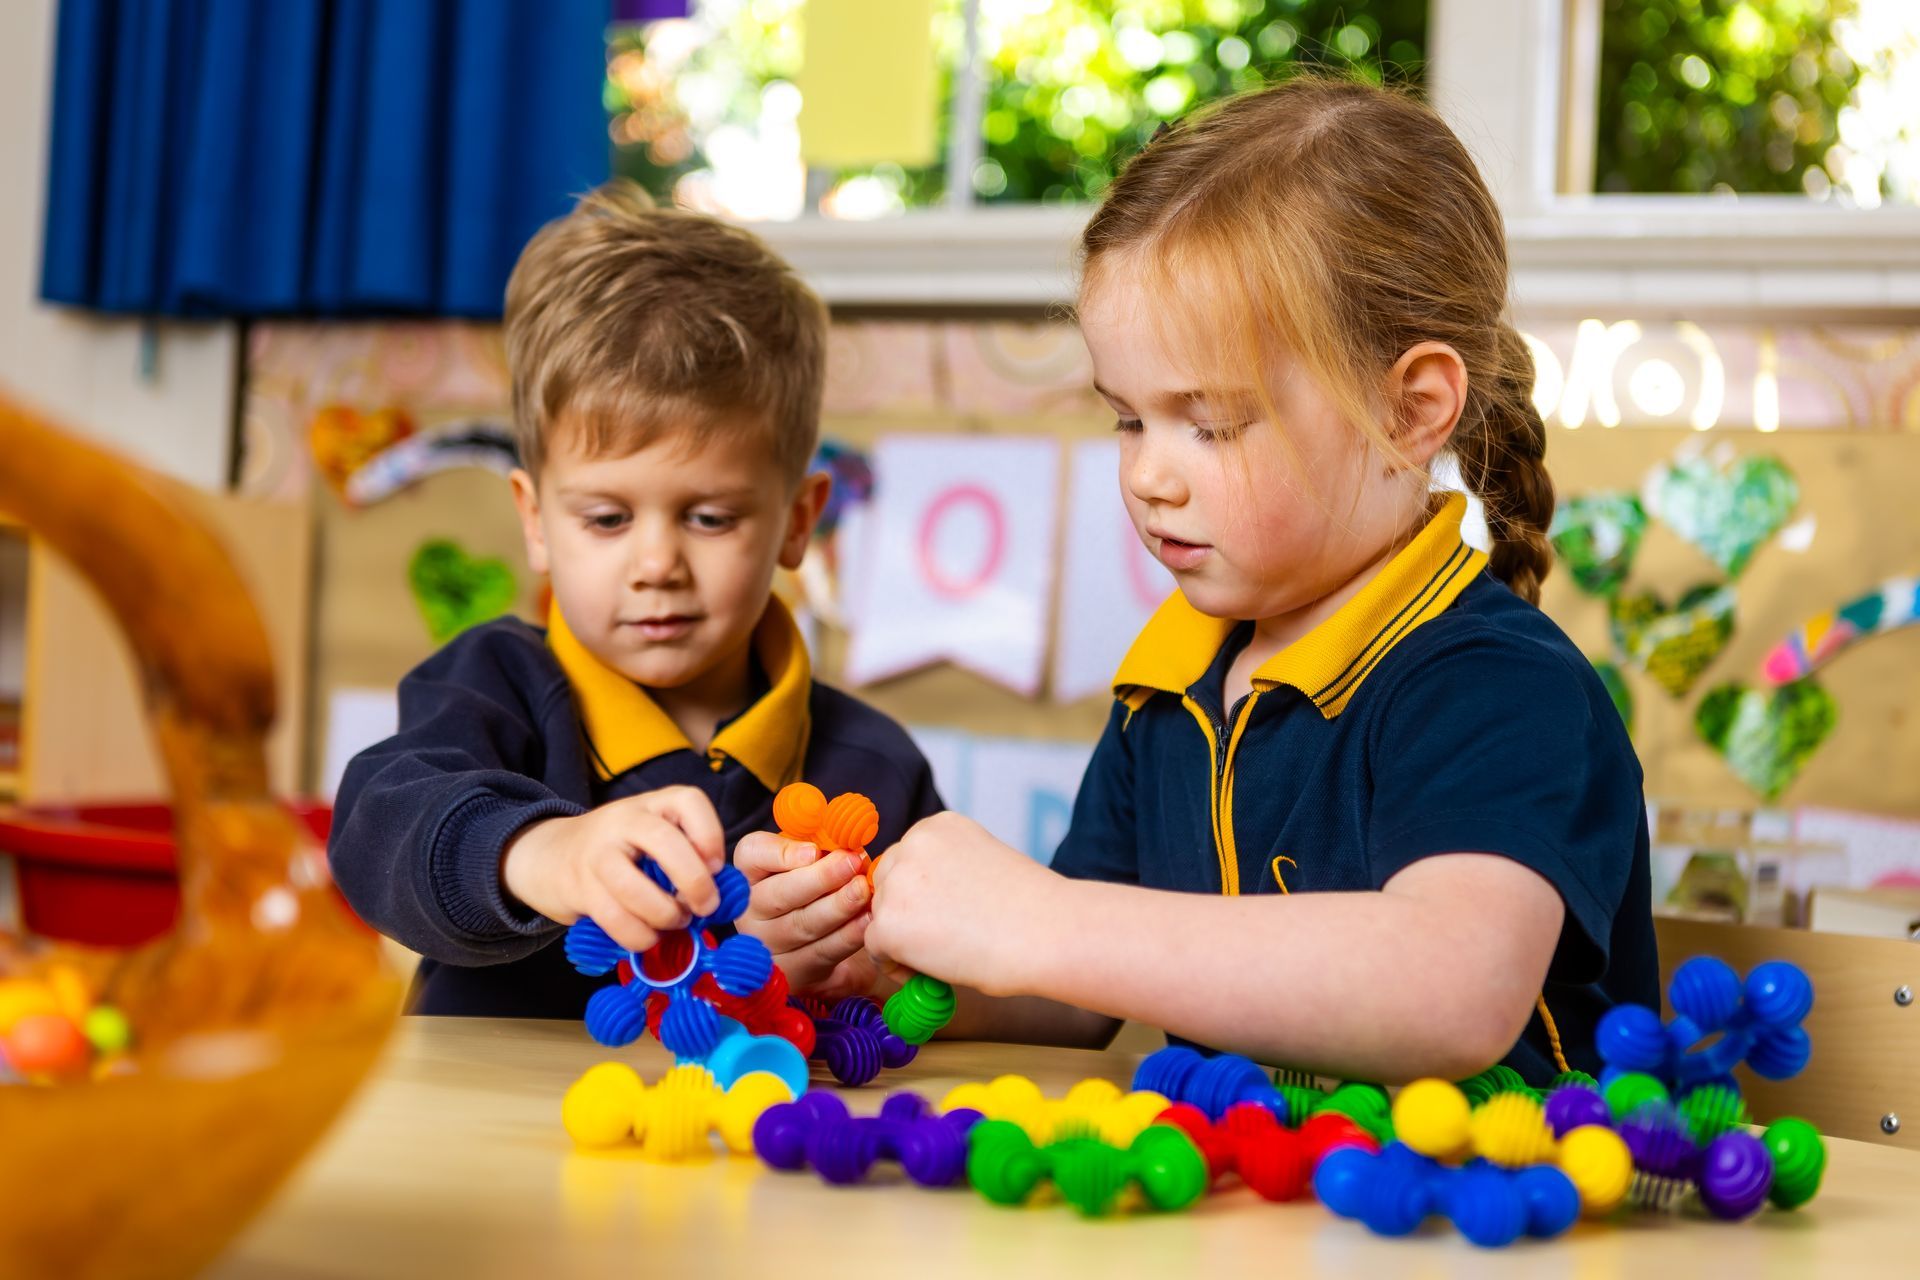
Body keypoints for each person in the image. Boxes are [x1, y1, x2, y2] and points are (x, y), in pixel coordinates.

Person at [756, 77, 1656, 1084]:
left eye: (1213, 423)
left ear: (1410, 411)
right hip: (1262, 1180)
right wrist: (889, 959)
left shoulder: (1496, 683)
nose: (1148, 474)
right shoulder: (1172, 676)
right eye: (1129, 418)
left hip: (1506, 1181)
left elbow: (1454, 988)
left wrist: (1041, 919)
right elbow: (1078, 990)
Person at [329, 181, 942, 1016]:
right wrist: (540, 853)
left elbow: (926, 977)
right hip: (481, 1105)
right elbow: (376, 831)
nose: (657, 565)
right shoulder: (492, 685)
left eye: (710, 518)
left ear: (799, 521)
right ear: (535, 520)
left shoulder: (873, 765)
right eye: (608, 518)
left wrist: (860, 971)